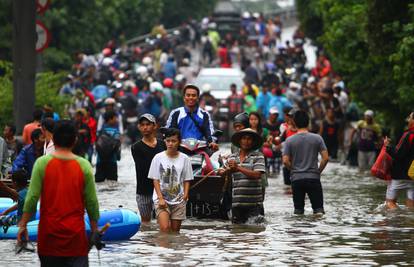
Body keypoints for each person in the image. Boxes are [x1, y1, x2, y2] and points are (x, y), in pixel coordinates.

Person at [17, 120, 100, 266]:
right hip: (75, 238)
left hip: (48, 238)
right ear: (75, 140)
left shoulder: (42, 163)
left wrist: (23, 225)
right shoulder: (84, 165)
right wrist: (94, 230)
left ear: (53, 139)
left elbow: (32, 198)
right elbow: (92, 202)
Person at [282, 110, 329, 215]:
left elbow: (285, 161)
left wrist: (293, 170)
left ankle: (300, 229)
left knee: (298, 212)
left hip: (297, 179)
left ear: (294, 122)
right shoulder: (317, 138)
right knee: (318, 211)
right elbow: (325, 158)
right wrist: (318, 171)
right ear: (308, 122)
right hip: (313, 178)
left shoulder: (289, 140)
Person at [148, 128, 193, 233]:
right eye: (168, 141)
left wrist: (186, 195)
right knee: (164, 229)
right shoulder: (158, 157)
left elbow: (187, 179)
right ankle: (163, 249)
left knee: (175, 231)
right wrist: (160, 198)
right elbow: (155, 179)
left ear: (179, 142)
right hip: (161, 199)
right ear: (165, 141)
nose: (170, 144)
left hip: (179, 199)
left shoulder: (185, 158)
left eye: (173, 141)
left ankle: (173, 249)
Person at [219, 128, 265, 223]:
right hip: (237, 205)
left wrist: (238, 168)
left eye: (249, 139)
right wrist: (225, 172)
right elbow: (222, 174)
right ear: (240, 141)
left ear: (253, 142)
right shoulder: (232, 157)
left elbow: (257, 175)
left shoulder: (258, 156)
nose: (246, 141)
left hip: (254, 205)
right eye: (244, 138)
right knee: (237, 233)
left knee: (255, 234)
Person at [131, 114, 166, 223]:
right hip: (144, 190)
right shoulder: (136, 147)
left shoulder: (163, 144)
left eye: (148, 124)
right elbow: (144, 167)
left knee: (163, 221)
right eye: (142, 125)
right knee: (146, 223)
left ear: (154, 126)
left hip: (163, 189)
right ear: (139, 127)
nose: (145, 127)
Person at [166, 84, 218, 151]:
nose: (191, 97)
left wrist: (212, 142)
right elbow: (170, 131)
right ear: (184, 98)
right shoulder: (176, 113)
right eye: (188, 95)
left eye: (193, 95)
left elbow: (209, 132)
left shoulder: (204, 114)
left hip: (200, 151)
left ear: (197, 98)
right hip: (179, 151)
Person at [383, 112, 414, 209]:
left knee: (390, 202)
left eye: (410, 118)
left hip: (399, 174)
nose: (408, 120)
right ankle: (409, 222)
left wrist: (387, 146)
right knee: (411, 205)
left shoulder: (408, 135)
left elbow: (397, 154)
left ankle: (397, 218)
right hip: (413, 175)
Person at [95, 111, 121, 183]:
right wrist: (118, 157)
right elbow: (118, 147)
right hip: (112, 161)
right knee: (112, 184)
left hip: (100, 161)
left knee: (99, 183)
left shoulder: (99, 132)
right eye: (115, 118)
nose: (116, 120)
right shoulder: (116, 132)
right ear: (110, 119)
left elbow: (96, 146)